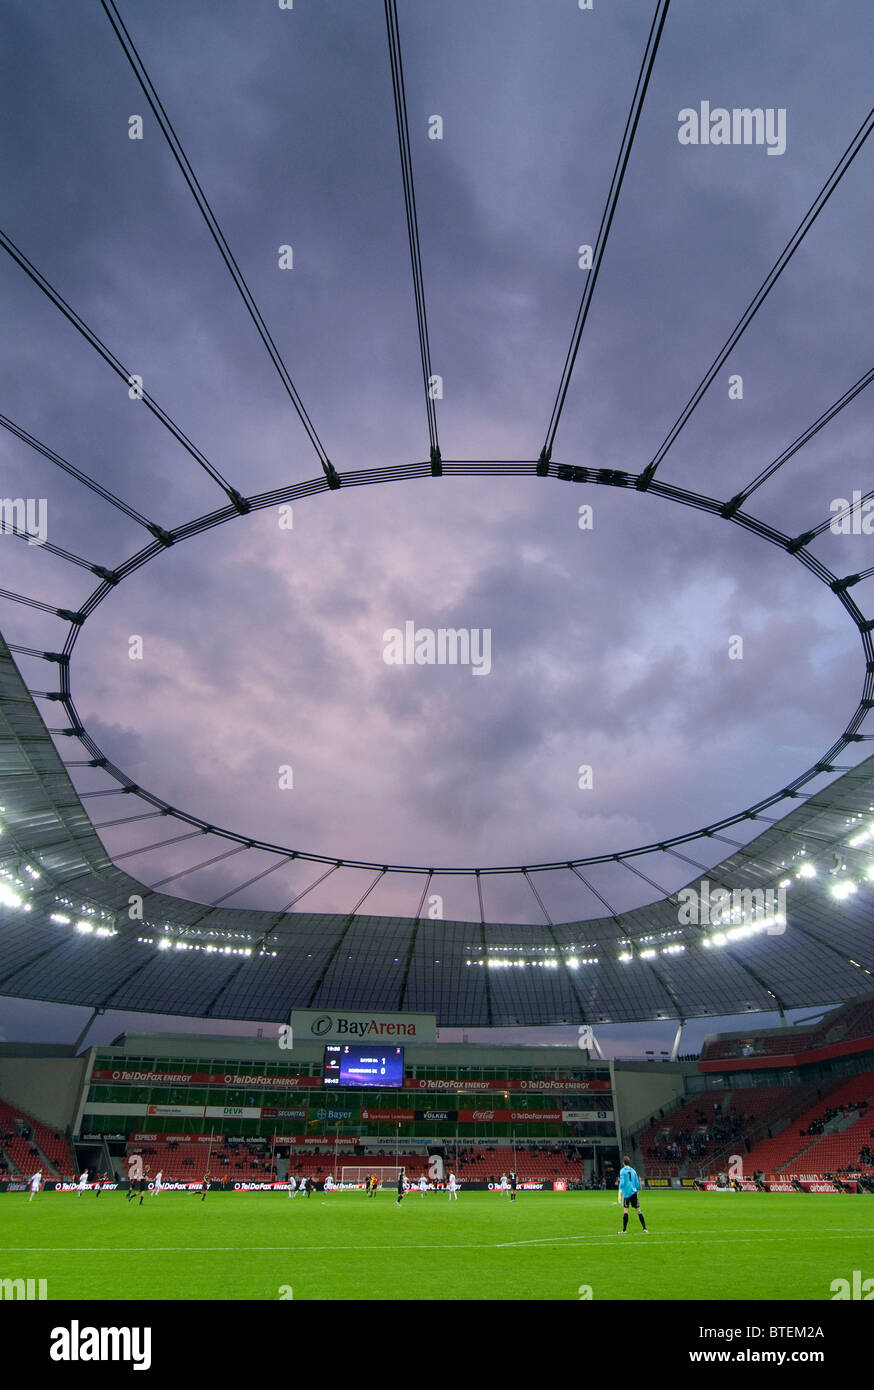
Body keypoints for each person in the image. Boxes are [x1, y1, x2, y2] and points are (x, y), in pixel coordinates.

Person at [618, 1155, 648, 1235]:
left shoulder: (622, 1171)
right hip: (634, 1192)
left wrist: (620, 1191)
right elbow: (637, 1183)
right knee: (638, 1210)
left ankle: (624, 1230)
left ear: (623, 1162)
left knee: (625, 1211)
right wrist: (637, 1190)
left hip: (627, 1193)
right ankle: (645, 1229)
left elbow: (622, 1182)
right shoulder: (633, 1171)